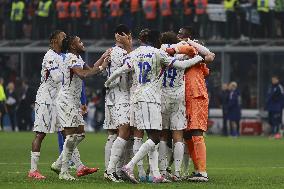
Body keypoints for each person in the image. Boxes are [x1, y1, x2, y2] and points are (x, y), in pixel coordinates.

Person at [105, 29, 205, 184]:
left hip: (136, 97)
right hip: (150, 98)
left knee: (145, 135)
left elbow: (122, 69)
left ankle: (155, 174)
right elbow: (180, 64)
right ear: (155, 39)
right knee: (155, 136)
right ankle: (130, 166)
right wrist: (197, 58)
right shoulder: (158, 53)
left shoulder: (136, 52)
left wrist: (108, 82)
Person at [52, 35, 110, 180]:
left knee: (80, 134)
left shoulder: (77, 58)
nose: (82, 43)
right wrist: (102, 66)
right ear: (72, 46)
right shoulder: (71, 58)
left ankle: (59, 163)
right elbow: (84, 74)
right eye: (79, 42)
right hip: (66, 100)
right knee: (71, 135)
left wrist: (103, 58)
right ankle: (64, 172)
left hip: (73, 101)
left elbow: (91, 69)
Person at [175, 26, 215, 182]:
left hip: (196, 95)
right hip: (184, 97)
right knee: (187, 135)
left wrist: (191, 43)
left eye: (181, 34)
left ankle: (202, 172)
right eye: (177, 34)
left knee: (197, 133)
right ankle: (197, 169)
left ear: (189, 36)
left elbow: (210, 57)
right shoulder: (180, 51)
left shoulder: (194, 49)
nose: (178, 36)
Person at [104, 24, 132, 182]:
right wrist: (129, 46)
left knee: (114, 134)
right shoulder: (119, 52)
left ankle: (114, 170)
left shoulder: (111, 52)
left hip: (111, 97)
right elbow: (134, 65)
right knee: (124, 131)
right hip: (120, 95)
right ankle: (111, 170)